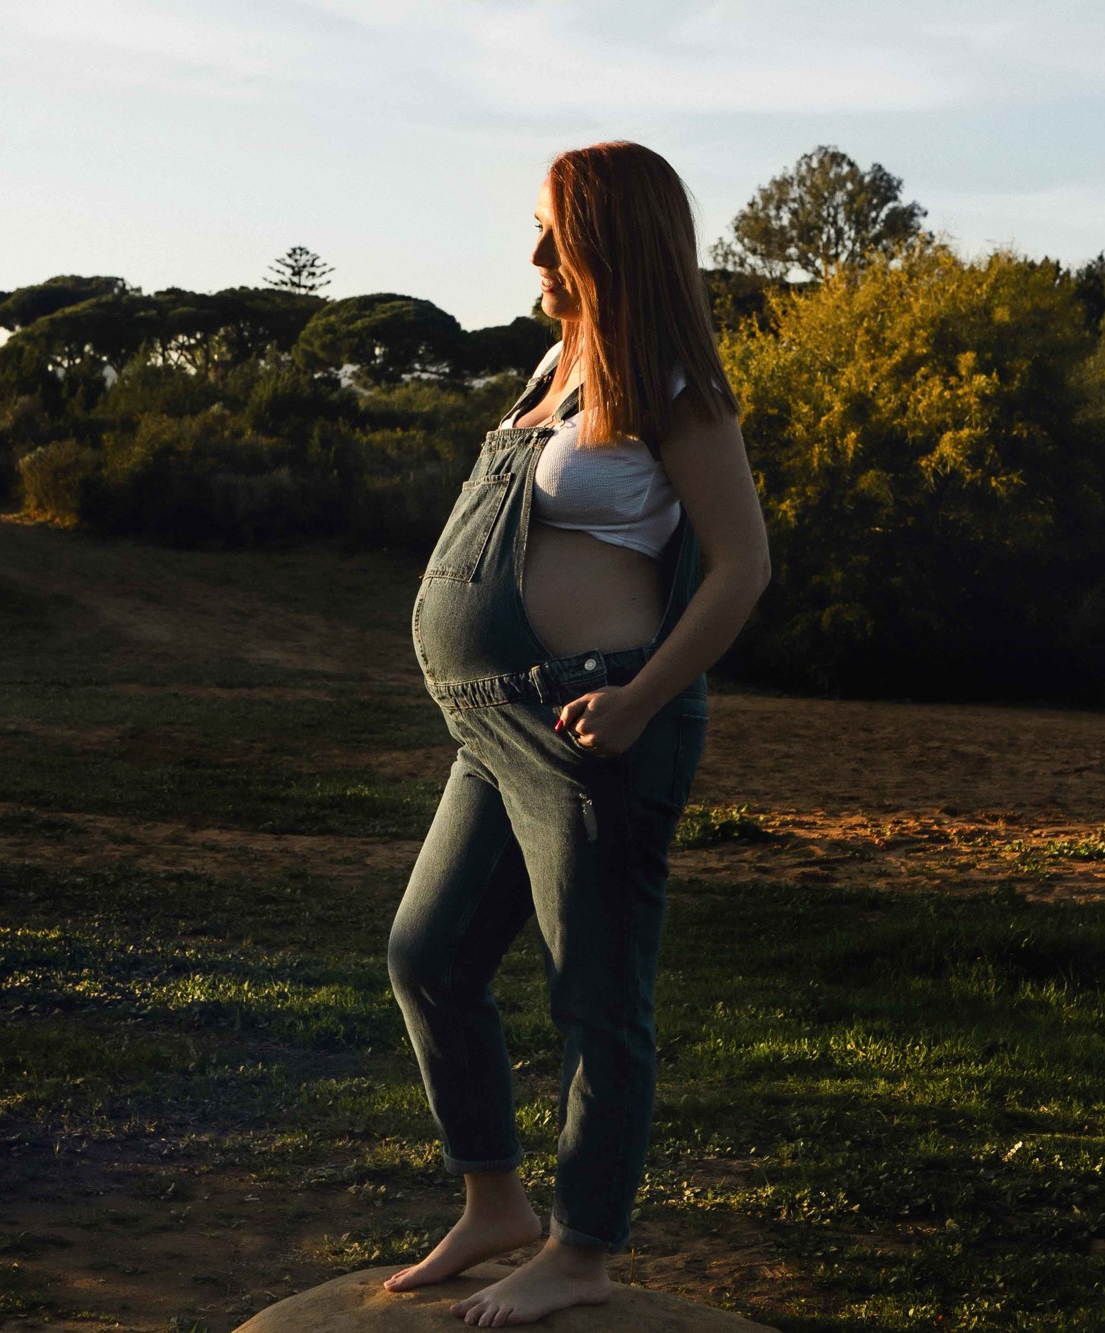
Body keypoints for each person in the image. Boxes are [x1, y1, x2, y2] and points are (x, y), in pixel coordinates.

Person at [384, 140, 772, 1326]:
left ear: (610, 238)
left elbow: (742, 566)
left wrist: (641, 698)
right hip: (492, 725)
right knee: (429, 954)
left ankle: (582, 1248)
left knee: (596, 997)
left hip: (594, 722)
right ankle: (493, 1202)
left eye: (556, 230)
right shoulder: (555, 363)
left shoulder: (667, 380)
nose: (536, 251)